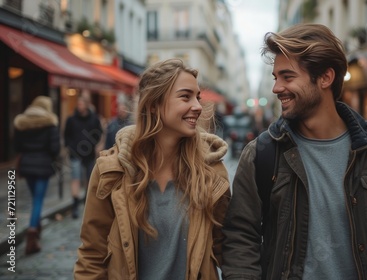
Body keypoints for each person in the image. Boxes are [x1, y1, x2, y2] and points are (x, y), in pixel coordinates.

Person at [221, 23, 367, 279]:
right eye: (276, 78)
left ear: (325, 78)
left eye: (288, 77)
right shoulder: (261, 155)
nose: (276, 88)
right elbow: (240, 239)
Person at [74, 59, 231, 279]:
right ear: (153, 105)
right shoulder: (110, 171)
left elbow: (228, 249)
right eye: (185, 96)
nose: (197, 106)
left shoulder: (212, 173)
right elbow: (92, 255)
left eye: (197, 97)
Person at [13, 95, 61, 254]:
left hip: (26, 165)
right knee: (38, 200)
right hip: (42, 166)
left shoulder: (22, 123)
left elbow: (16, 147)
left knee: (35, 198)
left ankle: (36, 228)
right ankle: (32, 235)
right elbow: (55, 149)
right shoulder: (50, 124)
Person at [64, 95, 103, 218]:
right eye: (78, 104)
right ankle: (75, 206)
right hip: (75, 154)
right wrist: (70, 147)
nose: (79, 106)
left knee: (88, 179)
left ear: (86, 105)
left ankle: (87, 204)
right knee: (75, 179)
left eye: (81, 104)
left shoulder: (94, 119)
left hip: (90, 154)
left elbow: (99, 133)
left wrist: (96, 146)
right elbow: (66, 135)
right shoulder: (71, 119)